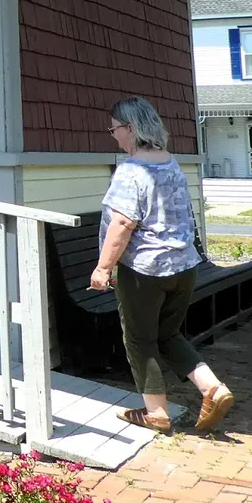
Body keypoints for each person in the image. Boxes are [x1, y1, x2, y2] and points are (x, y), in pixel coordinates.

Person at [93, 96, 235, 434]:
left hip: (147, 270)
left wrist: (103, 267)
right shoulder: (170, 162)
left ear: (130, 128)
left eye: (114, 129)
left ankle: (156, 412)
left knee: (140, 340)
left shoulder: (132, 170)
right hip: (184, 266)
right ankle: (213, 388)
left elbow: (123, 223)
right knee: (167, 334)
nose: (113, 136)